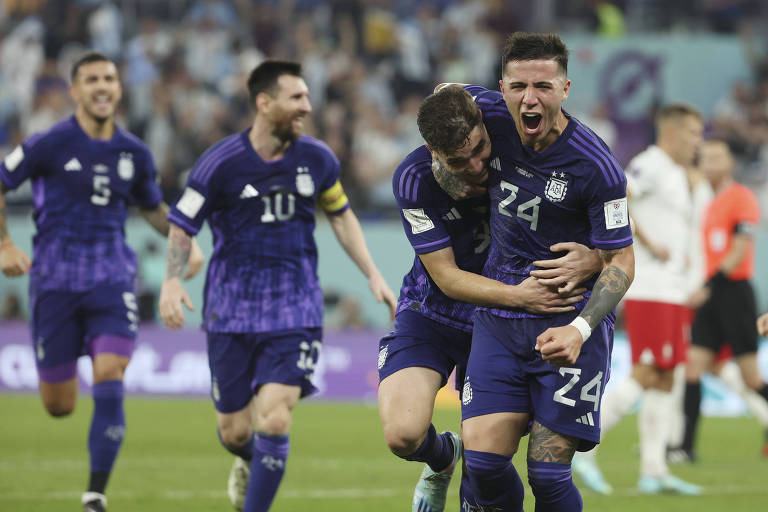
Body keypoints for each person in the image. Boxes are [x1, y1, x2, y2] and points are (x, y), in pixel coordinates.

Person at [157, 59, 397, 512]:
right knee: (235, 431)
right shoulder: (220, 163)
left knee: (274, 416)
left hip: (295, 306)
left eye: (307, 97)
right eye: (297, 98)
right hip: (230, 308)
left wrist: (372, 272)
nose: (307, 106)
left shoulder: (318, 159)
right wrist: (171, 281)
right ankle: (249, 461)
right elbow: (181, 224)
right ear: (264, 103)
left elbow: (341, 215)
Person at [422, 32, 635, 511]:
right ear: (501, 88)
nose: (529, 98)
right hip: (499, 322)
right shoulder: (486, 113)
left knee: (547, 475)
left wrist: (580, 328)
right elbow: (440, 96)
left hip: (567, 322)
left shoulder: (596, 165)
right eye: (518, 86)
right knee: (484, 465)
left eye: (542, 85)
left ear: (565, 88)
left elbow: (622, 258)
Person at [380, 87, 604, 512]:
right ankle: (442, 458)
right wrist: (519, 296)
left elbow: (601, 192)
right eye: (459, 162)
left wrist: (594, 256)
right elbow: (445, 276)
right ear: (434, 152)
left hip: (505, 323)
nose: (477, 167)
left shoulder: (513, 127)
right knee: (402, 434)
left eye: (480, 151)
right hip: (436, 311)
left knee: (501, 463)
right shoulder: (413, 180)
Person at [0, 51, 203, 512]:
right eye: (90, 79)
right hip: (53, 282)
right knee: (59, 405)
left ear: (119, 87)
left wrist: (183, 239)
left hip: (111, 278)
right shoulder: (47, 143)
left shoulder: (134, 151)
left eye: (109, 78)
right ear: (74, 90)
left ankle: (95, 496)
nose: (102, 86)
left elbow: (152, 208)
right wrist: (4, 244)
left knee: (111, 371)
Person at [572, 105, 704, 495]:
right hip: (650, 287)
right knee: (647, 370)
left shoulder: (678, 174)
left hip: (672, 289)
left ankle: (654, 470)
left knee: (666, 375)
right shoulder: (653, 164)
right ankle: (584, 449)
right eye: (693, 133)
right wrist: (647, 242)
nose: (697, 141)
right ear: (674, 132)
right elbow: (619, 195)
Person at [675, 139, 768, 462]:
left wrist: (706, 286)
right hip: (711, 293)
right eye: (707, 158)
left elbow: (738, 251)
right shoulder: (705, 202)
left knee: (751, 376)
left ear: (730, 162)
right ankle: (686, 447)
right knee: (692, 368)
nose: (711, 163)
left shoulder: (742, 197)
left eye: (717, 157)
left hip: (734, 292)